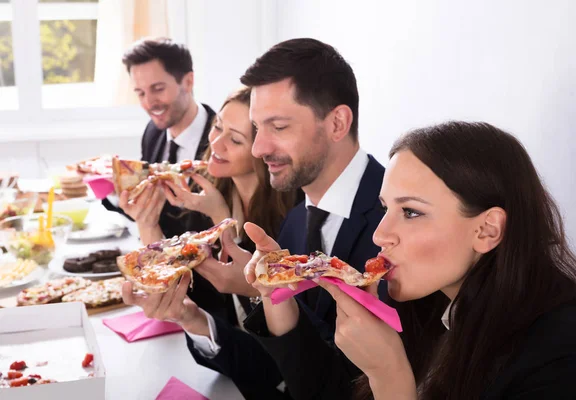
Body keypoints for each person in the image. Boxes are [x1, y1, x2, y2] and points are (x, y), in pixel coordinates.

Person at [244, 121, 576, 399]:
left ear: (487, 230)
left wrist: (391, 378)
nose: (380, 235)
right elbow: (328, 392)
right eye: (386, 208)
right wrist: (277, 296)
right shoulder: (427, 304)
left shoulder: (569, 348)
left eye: (411, 212)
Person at [123, 38, 387, 399]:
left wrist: (264, 292)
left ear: (338, 123)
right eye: (257, 128)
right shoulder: (296, 221)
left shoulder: (394, 224)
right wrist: (191, 318)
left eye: (278, 127)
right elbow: (289, 373)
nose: (260, 148)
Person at [102, 37, 215, 243]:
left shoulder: (221, 139)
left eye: (158, 89)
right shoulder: (153, 132)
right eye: (140, 93)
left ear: (188, 82)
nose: (149, 103)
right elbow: (152, 214)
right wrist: (112, 188)